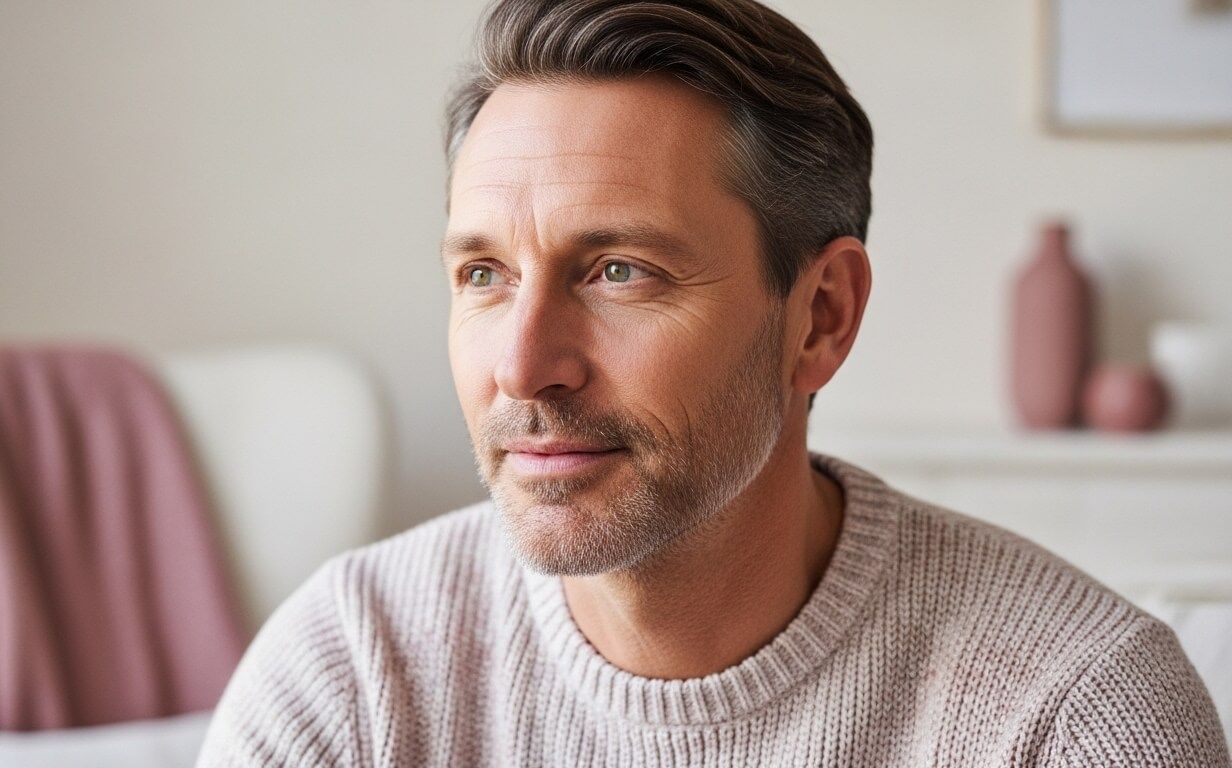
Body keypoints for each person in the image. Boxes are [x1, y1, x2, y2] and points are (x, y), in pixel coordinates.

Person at [196, 1, 1230, 765]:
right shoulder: (355, 675)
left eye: (619, 273)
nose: (520, 364)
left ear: (819, 317)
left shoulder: (1073, 715)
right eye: (484, 275)